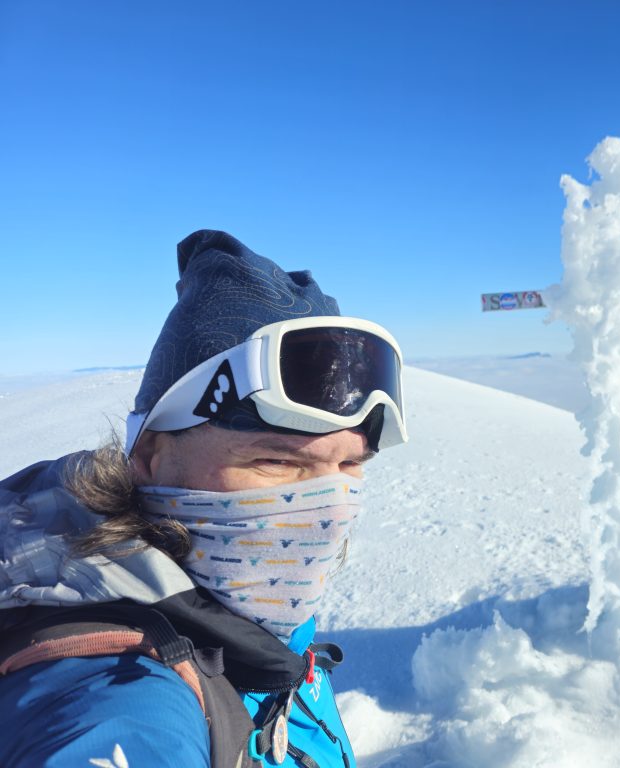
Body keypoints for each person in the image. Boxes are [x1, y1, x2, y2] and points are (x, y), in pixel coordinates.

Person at [0, 230, 407, 768]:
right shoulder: (120, 692)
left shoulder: (255, 619)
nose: (330, 511)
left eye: (350, 466)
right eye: (278, 462)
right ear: (149, 457)